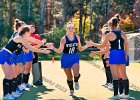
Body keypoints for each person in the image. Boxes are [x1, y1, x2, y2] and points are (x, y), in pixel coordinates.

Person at [0, 25, 51, 99]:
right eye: (29, 33)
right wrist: (44, 51)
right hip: (4, 55)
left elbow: (34, 42)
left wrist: (45, 44)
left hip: (10, 56)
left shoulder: (23, 39)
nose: (30, 34)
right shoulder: (20, 38)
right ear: (25, 32)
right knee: (9, 75)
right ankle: (6, 96)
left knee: (11, 75)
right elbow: (31, 47)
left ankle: (11, 93)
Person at [87, 17, 129, 99]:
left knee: (115, 76)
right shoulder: (123, 33)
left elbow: (102, 45)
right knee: (124, 75)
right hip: (122, 54)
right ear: (117, 24)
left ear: (110, 25)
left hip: (113, 54)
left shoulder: (110, 34)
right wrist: (126, 55)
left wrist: (93, 44)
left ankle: (116, 95)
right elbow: (126, 46)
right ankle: (126, 94)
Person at [49, 22, 90, 96]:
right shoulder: (64, 39)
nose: (71, 29)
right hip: (65, 58)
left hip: (74, 57)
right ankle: (71, 90)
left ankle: (76, 81)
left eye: (72, 28)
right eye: (69, 28)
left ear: (74, 29)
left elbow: (80, 49)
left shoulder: (77, 37)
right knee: (69, 77)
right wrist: (53, 48)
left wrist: (87, 46)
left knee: (76, 72)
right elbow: (60, 51)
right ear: (66, 29)